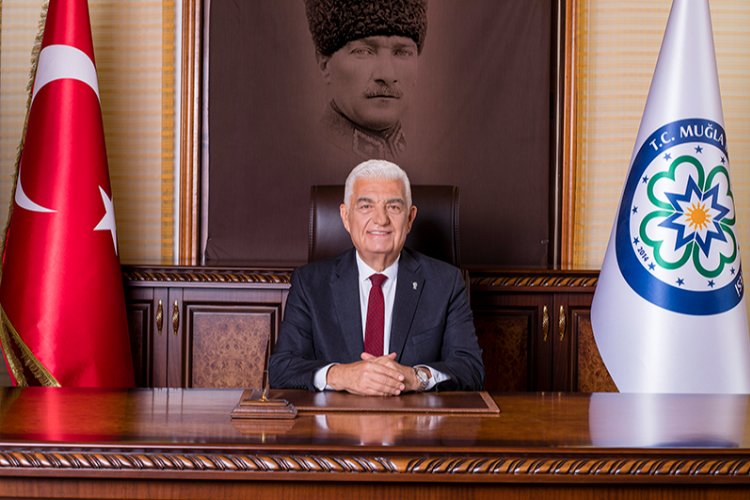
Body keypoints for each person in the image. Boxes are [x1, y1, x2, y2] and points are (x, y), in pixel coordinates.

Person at [268, 159, 484, 395]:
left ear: (410, 218)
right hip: (334, 417)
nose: (381, 219)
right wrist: (342, 375)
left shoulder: (446, 283)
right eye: (366, 206)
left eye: (394, 207)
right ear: (345, 216)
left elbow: (471, 369)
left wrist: (415, 377)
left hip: (414, 417)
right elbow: (282, 368)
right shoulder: (310, 284)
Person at [304, 0, 426, 161]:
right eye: (363, 51)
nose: (387, 75)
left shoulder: (431, 159)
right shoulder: (302, 161)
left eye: (402, 52)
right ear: (324, 64)